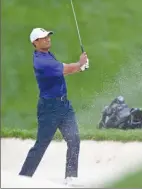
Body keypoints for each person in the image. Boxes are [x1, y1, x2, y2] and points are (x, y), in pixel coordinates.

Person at [19, 27, 89, 185]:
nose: (48, 39)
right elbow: (64, 69)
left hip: (64, 105)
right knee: (41, 145)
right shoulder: (41, 61)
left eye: (48, 36)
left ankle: (71, 177)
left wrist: (80, 67)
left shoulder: (47, 55)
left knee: (74, 139)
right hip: (49, 109)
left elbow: (63, 68)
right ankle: (23, 178)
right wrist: (80, 64)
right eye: (44, 37)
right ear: (35, 42)